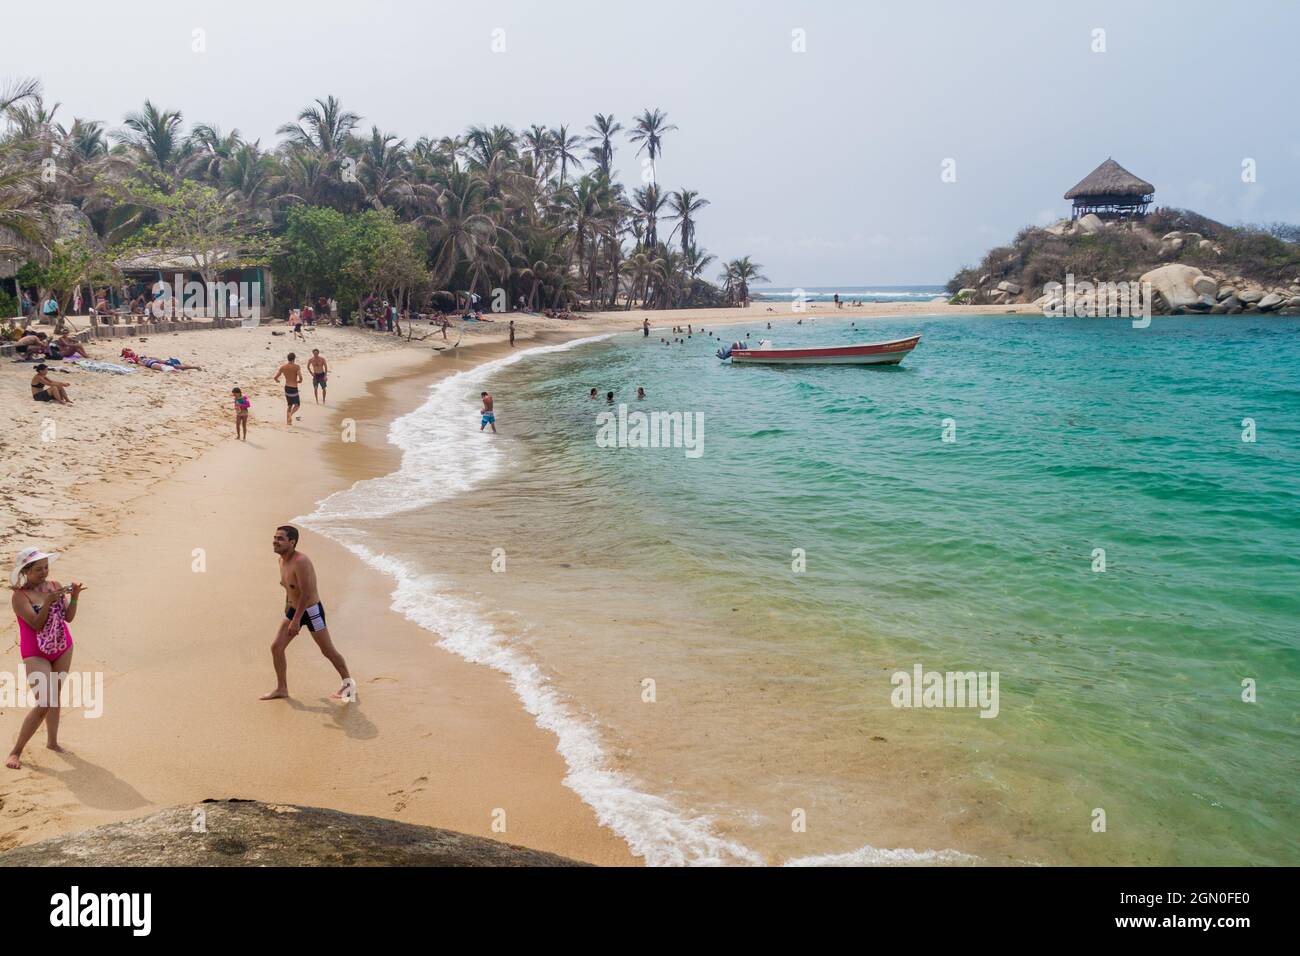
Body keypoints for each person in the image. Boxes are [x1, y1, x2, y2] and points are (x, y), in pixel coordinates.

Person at [7, 547, 83, 769]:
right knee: (45, 702)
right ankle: (15, 752)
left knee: (55, 697)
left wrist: (75, 597)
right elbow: (36, 624)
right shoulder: (19, 596)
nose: (44, 573)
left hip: (63, 647)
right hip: (35, 652)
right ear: (26, 571)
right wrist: (48, 601)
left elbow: (68, 618)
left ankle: (52, 742)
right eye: (38, 569)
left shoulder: (55, 586)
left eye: (46, 567)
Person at [260, 526, 354, 702]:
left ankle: (348, 684)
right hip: (293, 609)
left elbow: (307, 592)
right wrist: (288, 608)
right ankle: (282, 689)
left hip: (311, 612)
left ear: (292, 542)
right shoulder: (281, 560)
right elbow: (289, 587)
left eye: (280, 538)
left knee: (327, 650)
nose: (275, 541)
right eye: (275, 537)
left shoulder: (301, 561)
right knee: (276, 647)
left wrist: (296, 621)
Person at [274, 353, 303, 425]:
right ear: (294, 358)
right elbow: (301, 377)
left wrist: (277, 381)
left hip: (287, 388)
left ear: (288, 358)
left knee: (289, 405)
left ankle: (288, 422)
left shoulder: (283, 367)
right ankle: (291, 415)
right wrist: (299, 381)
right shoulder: (297, 367)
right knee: (297, 405)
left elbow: (275, 377)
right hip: (294, 388)